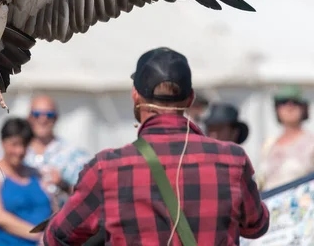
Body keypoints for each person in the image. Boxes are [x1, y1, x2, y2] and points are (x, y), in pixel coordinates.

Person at [43, 47, 269, 245]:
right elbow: (256, 225)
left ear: (135, 96)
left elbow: (57, 237)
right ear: (190, 99)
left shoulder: (107, 168)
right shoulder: (231, 159)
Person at [0, 118, 53, 245]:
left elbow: (53, 209)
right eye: (15, 144)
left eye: (24, 145)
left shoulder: (36, 174)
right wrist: (39, 236)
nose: (20, 151)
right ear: (3, 142)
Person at [23, 95, 91, 208]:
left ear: (56, 118)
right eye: (37, 114)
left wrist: (63, 184)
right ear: (29, 118)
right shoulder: (15, 153)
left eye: (49, 115)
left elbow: (89, 196)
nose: (43, 120)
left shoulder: (74, 154)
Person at [258, 85, 314, 192]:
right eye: (283, 102)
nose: (289, 107)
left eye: (295, 102)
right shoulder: (269, 145)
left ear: (304, 108)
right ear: (277, 109)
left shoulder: (311, 143)